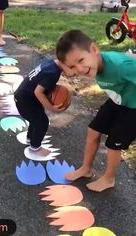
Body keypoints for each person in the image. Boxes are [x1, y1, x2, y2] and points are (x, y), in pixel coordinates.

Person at [56, 29, 136, 192]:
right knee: (93, 130)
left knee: (113, 144)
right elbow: (67, 65)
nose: (79, 69)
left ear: (94, 49)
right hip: (117, 99)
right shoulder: (92, 63)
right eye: (72, 66)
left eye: (80, 60)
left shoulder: (120, 66)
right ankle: (86, 169)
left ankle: (108, 179)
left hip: (133, 108)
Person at [14, 59, 74, 157]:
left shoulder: (51, 64)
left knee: (36, 119)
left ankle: (30, 138)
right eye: (74, 67)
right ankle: (35, 148)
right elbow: (38, 92)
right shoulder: (53, 73)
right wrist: (51, 108)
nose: (76, 72)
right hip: (26, 102)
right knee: (42, 122)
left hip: (24, 98)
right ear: (66, 62)